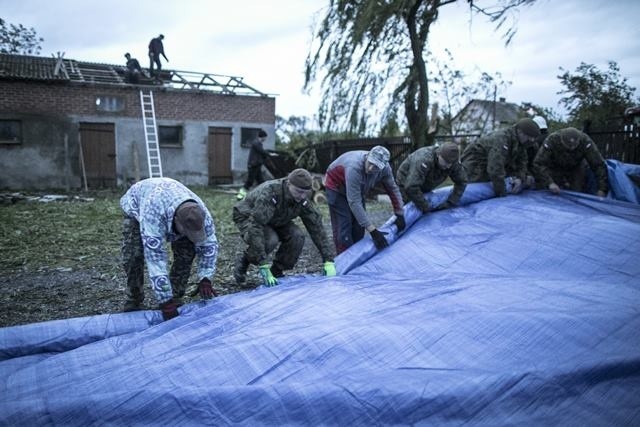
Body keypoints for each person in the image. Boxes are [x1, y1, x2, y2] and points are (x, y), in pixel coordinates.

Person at [120, 178, 218, 321]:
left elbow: (209, 245)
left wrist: (205, 277)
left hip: (172, 205)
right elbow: (155, 258)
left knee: (186, 252)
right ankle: (134, 298)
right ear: (177, 220)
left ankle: (176, 295)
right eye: (188, 231)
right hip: (139, 206)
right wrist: (164, 300)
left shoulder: (202, 214)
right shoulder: (153, 214)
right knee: (134, 255)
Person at [232, 168, 336, 287]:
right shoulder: (270, 192)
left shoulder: (302, 199)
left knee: (297, 236)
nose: (302, 196)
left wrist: (328, 260)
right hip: (248, 216)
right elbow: (256, 226)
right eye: (298, 191)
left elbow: (316, 227)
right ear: (288, 184)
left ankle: (276, 271)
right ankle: (245, 260)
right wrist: (263, 263)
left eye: (305, 193)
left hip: (276, 218)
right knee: (270, 239)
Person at [324, 145, 405, 255]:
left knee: (358, 227)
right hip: (336, 187)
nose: (371, 168)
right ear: (367, 156)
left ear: (383, 167)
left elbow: (392, 189)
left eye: (376, 166)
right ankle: (344, 259)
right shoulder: (354, 167)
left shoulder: (385, 169)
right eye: (370, 163)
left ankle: (356, 256)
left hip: (356, 189)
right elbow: (354, 202)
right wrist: (373, 231)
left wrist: (399, 213)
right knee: (344, 226)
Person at [461, 118, 540, 197]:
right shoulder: (502, 139)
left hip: (489, 165)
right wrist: (502, 193)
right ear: (520, 132)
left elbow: (522, 164)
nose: (531, 140)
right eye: (529, 137)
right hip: (474, 164)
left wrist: (520, 178)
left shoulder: (521, 144)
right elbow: (495, 168)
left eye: (533, 138)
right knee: (475, 190)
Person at [533, 127, 608, 197]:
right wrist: (549, 182)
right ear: (561, 141)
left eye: (574, 145)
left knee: (576, 193)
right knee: (550, 192)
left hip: (576, 168)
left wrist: (602, 189)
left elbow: (598, 165)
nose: (572, 148)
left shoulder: (585, 141)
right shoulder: (552, 139)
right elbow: (539, 163)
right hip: (554, 167)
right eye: (568, 146)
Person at [396, 142, 467, 213]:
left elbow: (462, 182)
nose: (448, 166)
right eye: (446, 162)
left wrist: (451, 202)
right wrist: (426, 207)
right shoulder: (424, 159)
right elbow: (411, 187)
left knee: (424, 202)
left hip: (426, 181)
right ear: (439, 155)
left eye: (450, 164)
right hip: (406, 181)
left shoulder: (453, 164)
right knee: (409, 208)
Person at [237, 129, 268, 200]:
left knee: (261, 182)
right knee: (249, 182)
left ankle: (262, 196)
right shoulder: (256, 143)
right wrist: (270, 154)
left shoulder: (258, 144)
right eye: (265, 137)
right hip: (253, 166)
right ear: (262, 137)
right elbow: (262, 152)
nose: (265, 139)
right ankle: (240, 196)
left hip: (257, 165)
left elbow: (262, 154)